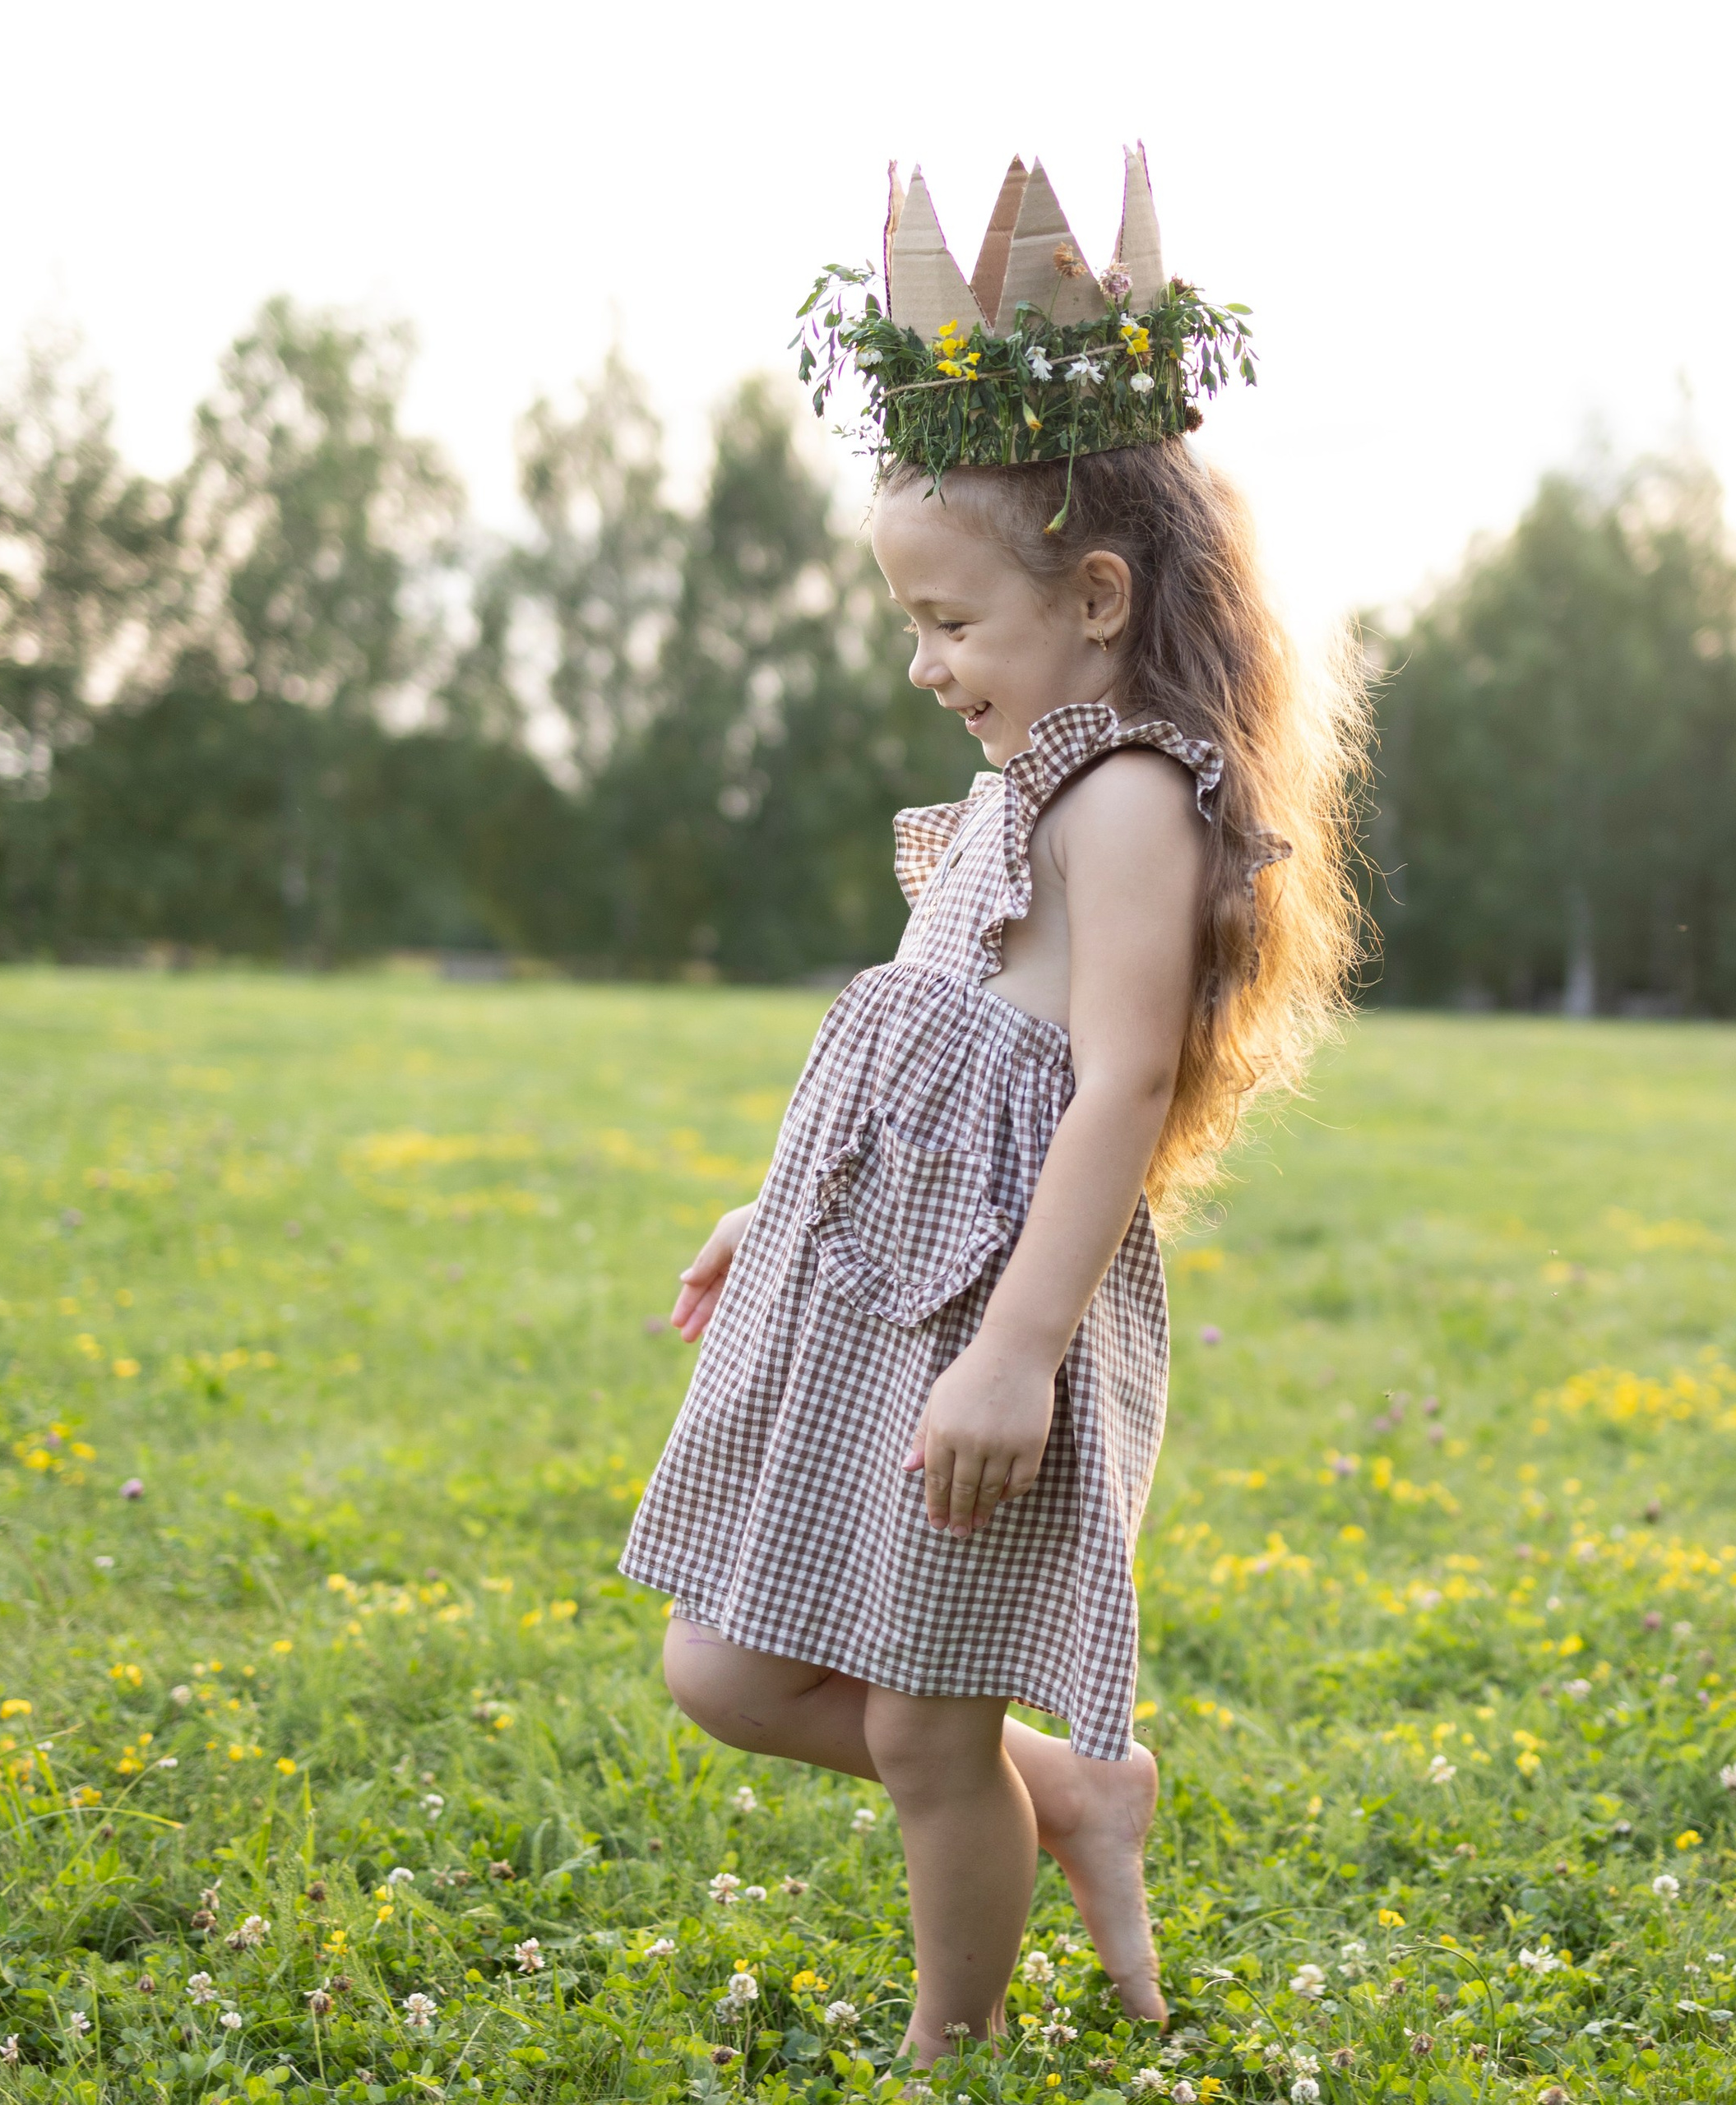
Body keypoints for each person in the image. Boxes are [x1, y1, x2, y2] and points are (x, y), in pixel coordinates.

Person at [620, 148, 1364, 2064]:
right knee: (723, 1662)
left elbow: (1114, 1077)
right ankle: (1082, 1788)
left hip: (990, 1320)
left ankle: (952, 2043)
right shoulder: (1021, 785)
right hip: (882, 1285)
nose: (922, 662)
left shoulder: (1123, 790)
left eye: (948, 620)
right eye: (910, 621)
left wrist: (1017, 1354)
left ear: (1094, 593)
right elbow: (918, 1048)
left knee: (917, 1724)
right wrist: (761, 1210)